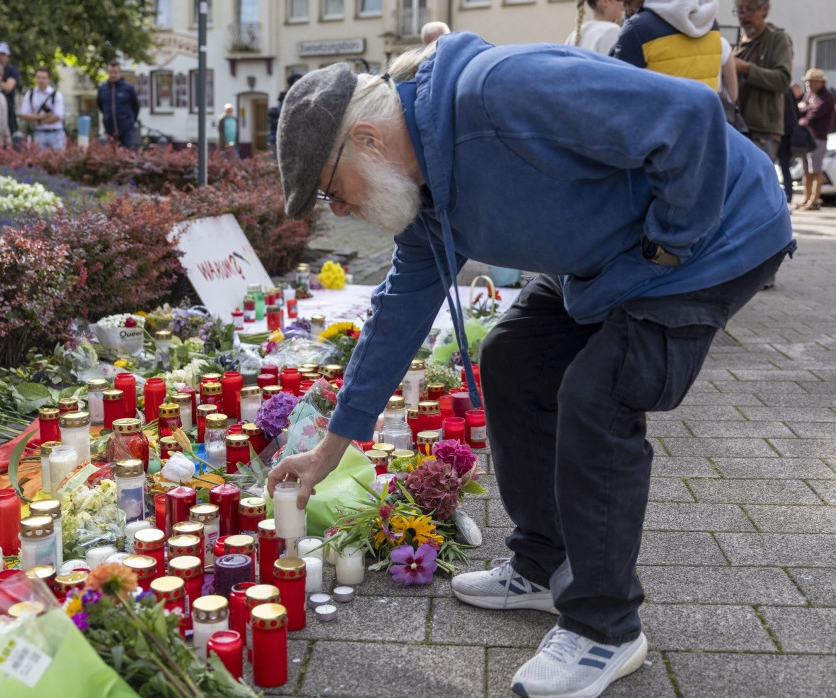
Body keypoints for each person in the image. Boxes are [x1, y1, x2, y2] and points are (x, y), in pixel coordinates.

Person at [271, 33, 793, 697]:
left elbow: (689, 114)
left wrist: (666, 249)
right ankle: (543, 564)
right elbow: (394, 320)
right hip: (613, 261)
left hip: (714, 236)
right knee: (513, 357)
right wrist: (328, 450)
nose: (339, 210)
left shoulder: (501, 91)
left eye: (329, 190)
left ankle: (605, 629)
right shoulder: (426, 196)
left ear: (369, 141)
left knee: (599, 396)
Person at [611, 0, 722, 91]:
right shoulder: (709, 24)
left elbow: (620, 88)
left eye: (628, 2)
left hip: (659, 116)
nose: (628, 9)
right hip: (704, 114)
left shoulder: (637, 28)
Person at [732, 0, 792, 161]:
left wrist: (746, 69)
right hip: (735, 127)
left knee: (755, 182)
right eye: (739, 10)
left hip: (761, 131)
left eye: (749, 10)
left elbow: (782, 80)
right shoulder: (736, 42)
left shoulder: (776, 39)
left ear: (764, 10)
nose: (743, 16)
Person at [794, 69, 836, 211]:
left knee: (816, 170)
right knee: (806, 170)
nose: (808, 84)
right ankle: (806, 198)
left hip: (818, 138)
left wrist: (804, 109)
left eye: (811, 81)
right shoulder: (809, 96)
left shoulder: (827, 97)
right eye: (807, 81)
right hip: (806, 140)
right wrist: (803, 108)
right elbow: (800, 110)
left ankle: (814, 200)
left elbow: (813, 114)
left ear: (820, 82)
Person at [20, 67, 66, 150]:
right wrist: (43, 117)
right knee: (39, 160)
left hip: (56, 133)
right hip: (38, 133)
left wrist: (37, 121)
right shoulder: (30, 94)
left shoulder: (56, 95)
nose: (41, 80)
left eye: (44, 78)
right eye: (38, 77)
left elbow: (57, 116)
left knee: (58, 160)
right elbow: (24, 114)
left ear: (49, 79)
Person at [97, 61, 141, 148]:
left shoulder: (128, 88)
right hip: (109, 130)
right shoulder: (102, 89)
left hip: (127, 130)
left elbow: (136, 106)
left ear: (120, 72)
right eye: (111, 72)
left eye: (115, 72)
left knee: (129, 155)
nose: (113, 75)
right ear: (108, 72)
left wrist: (130, 121)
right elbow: (100, 105)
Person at [776, 86, 799, 207]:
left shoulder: (780, 88)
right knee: (784, 169)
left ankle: (787, 198)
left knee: (781, 168)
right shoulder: (788, 90)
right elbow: (795, 113)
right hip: (785, 134)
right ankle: (788, 198)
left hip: (779, 134)